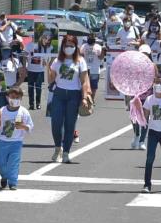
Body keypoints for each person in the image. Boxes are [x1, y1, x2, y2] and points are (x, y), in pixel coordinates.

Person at [48, 34, 92, 163]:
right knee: (55, 123)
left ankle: (66, 152)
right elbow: (50, 80)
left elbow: (84, 81)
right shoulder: (57, 61)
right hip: (59, 94)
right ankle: (58, 148)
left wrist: (84, 98)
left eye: (71, 45)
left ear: (75, 46)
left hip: (74, 95)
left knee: (70, 125)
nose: (69, 48)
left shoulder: (80, 61)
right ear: (62, 46)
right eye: (66, 45)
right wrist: (48, 66)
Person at [0, 87, 34, 190]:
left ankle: (12, 182)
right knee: (0, 162)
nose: (15, 99)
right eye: (13, 97)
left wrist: (24, 127)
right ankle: (4, 176)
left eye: (17, 97)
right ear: (8, 98)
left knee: (13, 163)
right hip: (3, 141)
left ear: (21, 98)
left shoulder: (23, 112)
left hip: (16, 142)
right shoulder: (2, 110)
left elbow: (30, 126)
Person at [24, 32, 52, 110]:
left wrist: (45, 62)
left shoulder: (42, 46)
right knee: (30, 88)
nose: (33, 37)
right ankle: (31, 104)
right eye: (32, 36)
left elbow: (47, 55)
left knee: (38, 87)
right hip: (30, 69)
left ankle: (38, 103)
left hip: (40, 70)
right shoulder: (29, 45)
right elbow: (25, 56)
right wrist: (25, 66)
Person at [80, 34, 104, 102]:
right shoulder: (84, 46)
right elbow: (81, 55)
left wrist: (103, 51)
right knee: (85, 85)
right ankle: (85, 98)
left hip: (95, 70)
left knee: (94, 86)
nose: (90, 39)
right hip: (85, 69)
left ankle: (92, 99)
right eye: (89, 38)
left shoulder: (98, 47)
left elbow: (101, 57)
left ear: (94, 38)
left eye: (92, 38)